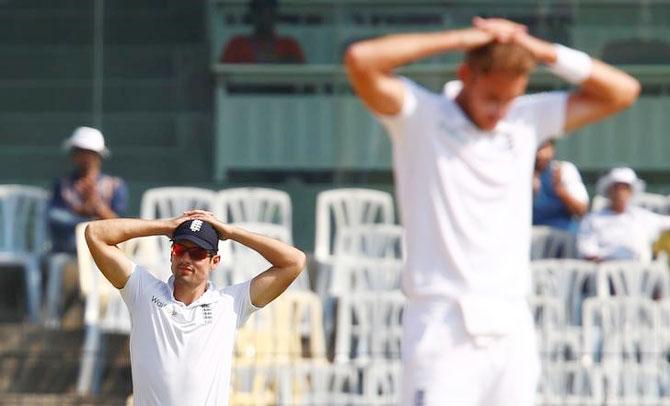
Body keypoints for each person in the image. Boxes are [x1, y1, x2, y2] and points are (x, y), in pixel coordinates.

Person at [345, 16, 639, 405]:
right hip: (441, 322)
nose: (500, 111)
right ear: (466, 75)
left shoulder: (526, 118)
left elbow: (623, 91)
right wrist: (464, 39)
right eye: (492, 98)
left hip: (511, 320)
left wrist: (539, 49)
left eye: (510, 99)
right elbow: (361, 60)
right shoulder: (421, 116)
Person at [84, 210, 306, 405]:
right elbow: (95, 233)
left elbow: (294, 261)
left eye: (198, 253)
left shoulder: (230, 303)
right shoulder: (143, 291)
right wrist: (164, 226)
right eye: (181, 249)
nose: (187, 258)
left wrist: (231, 232)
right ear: (172, 254)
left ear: (215, 261)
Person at [48, 126, 128, 254]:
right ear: (73, 155)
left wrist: (96, 207)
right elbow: (54, 218)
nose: (85, 158)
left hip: (105, 248)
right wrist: (82, 214)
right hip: (69, 248)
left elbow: (120, 224)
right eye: (80, 152)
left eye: (89, 153)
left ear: (99, 156)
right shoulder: (62, 184)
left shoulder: (115, 185)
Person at [577, 167, 670, 263]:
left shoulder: (643, 217)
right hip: (605, 273)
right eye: (616, 188)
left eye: (625, 188)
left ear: (631, 192)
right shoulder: (592, 220)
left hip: (642, 273)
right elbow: (587, 252)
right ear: (609, 191)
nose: (620, 193)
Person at [220, 0, 305, 64]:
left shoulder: (289, 45)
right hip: (244, 87)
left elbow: (307, 80)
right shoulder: (236, 44)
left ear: (276, 14)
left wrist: (277, 61)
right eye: (260, 10)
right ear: (252, 14)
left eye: (269, 10)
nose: (264, 15)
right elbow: (220, 76)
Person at [532, 139, 589, 233]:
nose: (540, 154)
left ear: (552, 149)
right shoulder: (519, 173)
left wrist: (560, 189)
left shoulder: (564, 170)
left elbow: (581, 210)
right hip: (530, 234)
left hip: (562, 234)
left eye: (544, 147)